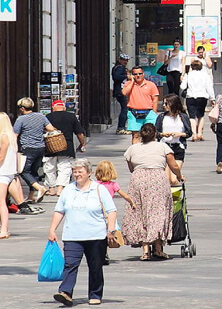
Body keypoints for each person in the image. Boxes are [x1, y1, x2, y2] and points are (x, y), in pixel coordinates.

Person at [48, 158, 118, 307]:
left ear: (89, 173)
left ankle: (95, 294)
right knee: (70, 264)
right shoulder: (68, 189)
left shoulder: (99, 189)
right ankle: (65, 292)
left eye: (80, 171)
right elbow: (59, 211)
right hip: (72, 236)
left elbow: (112, 211)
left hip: (96, 236)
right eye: (74, 171)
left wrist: (111, 230)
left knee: (95, 266)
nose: (77, 174)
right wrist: (52, 229)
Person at [122, 123, 184, 261]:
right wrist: (179, 176)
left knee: (140, 212)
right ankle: (158, 248)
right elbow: (173, 165)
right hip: (157, 178)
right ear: (155, 134)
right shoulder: (162, 147)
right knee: (158, 211)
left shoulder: (132, 149)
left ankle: (145, 250)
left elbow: (131, 168)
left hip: (138, 179)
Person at [14, 97, 57, 203]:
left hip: (28, 148)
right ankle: (31, 195)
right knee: (34, 171)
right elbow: (51, 128)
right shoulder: (41, 116)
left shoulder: (21, 119)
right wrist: (39, 128)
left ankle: (39, 188)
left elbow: (15, 134)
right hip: (40, 147)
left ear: (23, 108)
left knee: (24, 171)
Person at [43, 100, 86, 196]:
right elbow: (79, 133)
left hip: (50, 146)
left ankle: (51, 189)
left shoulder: (48, 117)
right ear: (64, 107)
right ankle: (60, 189)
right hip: (67, 147)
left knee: (49, 168)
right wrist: (82, 144)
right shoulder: (71, 116)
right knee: (65, 168)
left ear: (53, 108)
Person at [155, 94, 192, 185]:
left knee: (174, 179)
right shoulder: (161, 117)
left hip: (178, 148)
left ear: (173, 104)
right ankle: (168, 198)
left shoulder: (183, 117)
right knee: (166, 179)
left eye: (166, 103)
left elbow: (189, 133)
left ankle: (175, 197)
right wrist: (163, 134)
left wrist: (180, 134)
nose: (164, 106)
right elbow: (156, 132)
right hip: (165, 148)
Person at [122, 66, 160, 144]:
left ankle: (150, 153)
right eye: (135, 74)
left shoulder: (151, 85)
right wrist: (132, 81)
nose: (138, 75)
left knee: (150, 134)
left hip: (148, 112)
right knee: (136, 135)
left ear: (143, 74)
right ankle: (136, 153)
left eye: (140, 73)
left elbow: (155, 99)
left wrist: (154, 112)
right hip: (133, 112)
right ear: (132, 75)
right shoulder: (128, 84)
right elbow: (124, 93)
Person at [180, 60, 215, 141]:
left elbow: (182, 86)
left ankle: (194, 134)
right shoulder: (205, 75)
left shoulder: (188, 75)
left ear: (191, 67)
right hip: (202, 96)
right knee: (201, 115)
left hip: (190, 96)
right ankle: (199, 133)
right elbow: (209, 87)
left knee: (192, 116)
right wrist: (212, 98)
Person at [0, 112, 18, 238]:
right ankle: (4, 228)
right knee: (2, 202)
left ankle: (4, 229)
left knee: (1, 202)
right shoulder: (11, 136)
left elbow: (1, 156)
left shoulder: (4, 137)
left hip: (2, 172)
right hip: (9, 172)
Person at [111, 53, 131, 135]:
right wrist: (126, 76)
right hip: (121, 91)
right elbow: (116, 77)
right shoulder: (119, 68)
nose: (125, 62)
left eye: (126, 60)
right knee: (125, 109)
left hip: (121, 91)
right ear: (119, 59)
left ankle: (121, 127)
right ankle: (120, 127)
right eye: (123, 60)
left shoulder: (120, 67)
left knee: (125, 109)